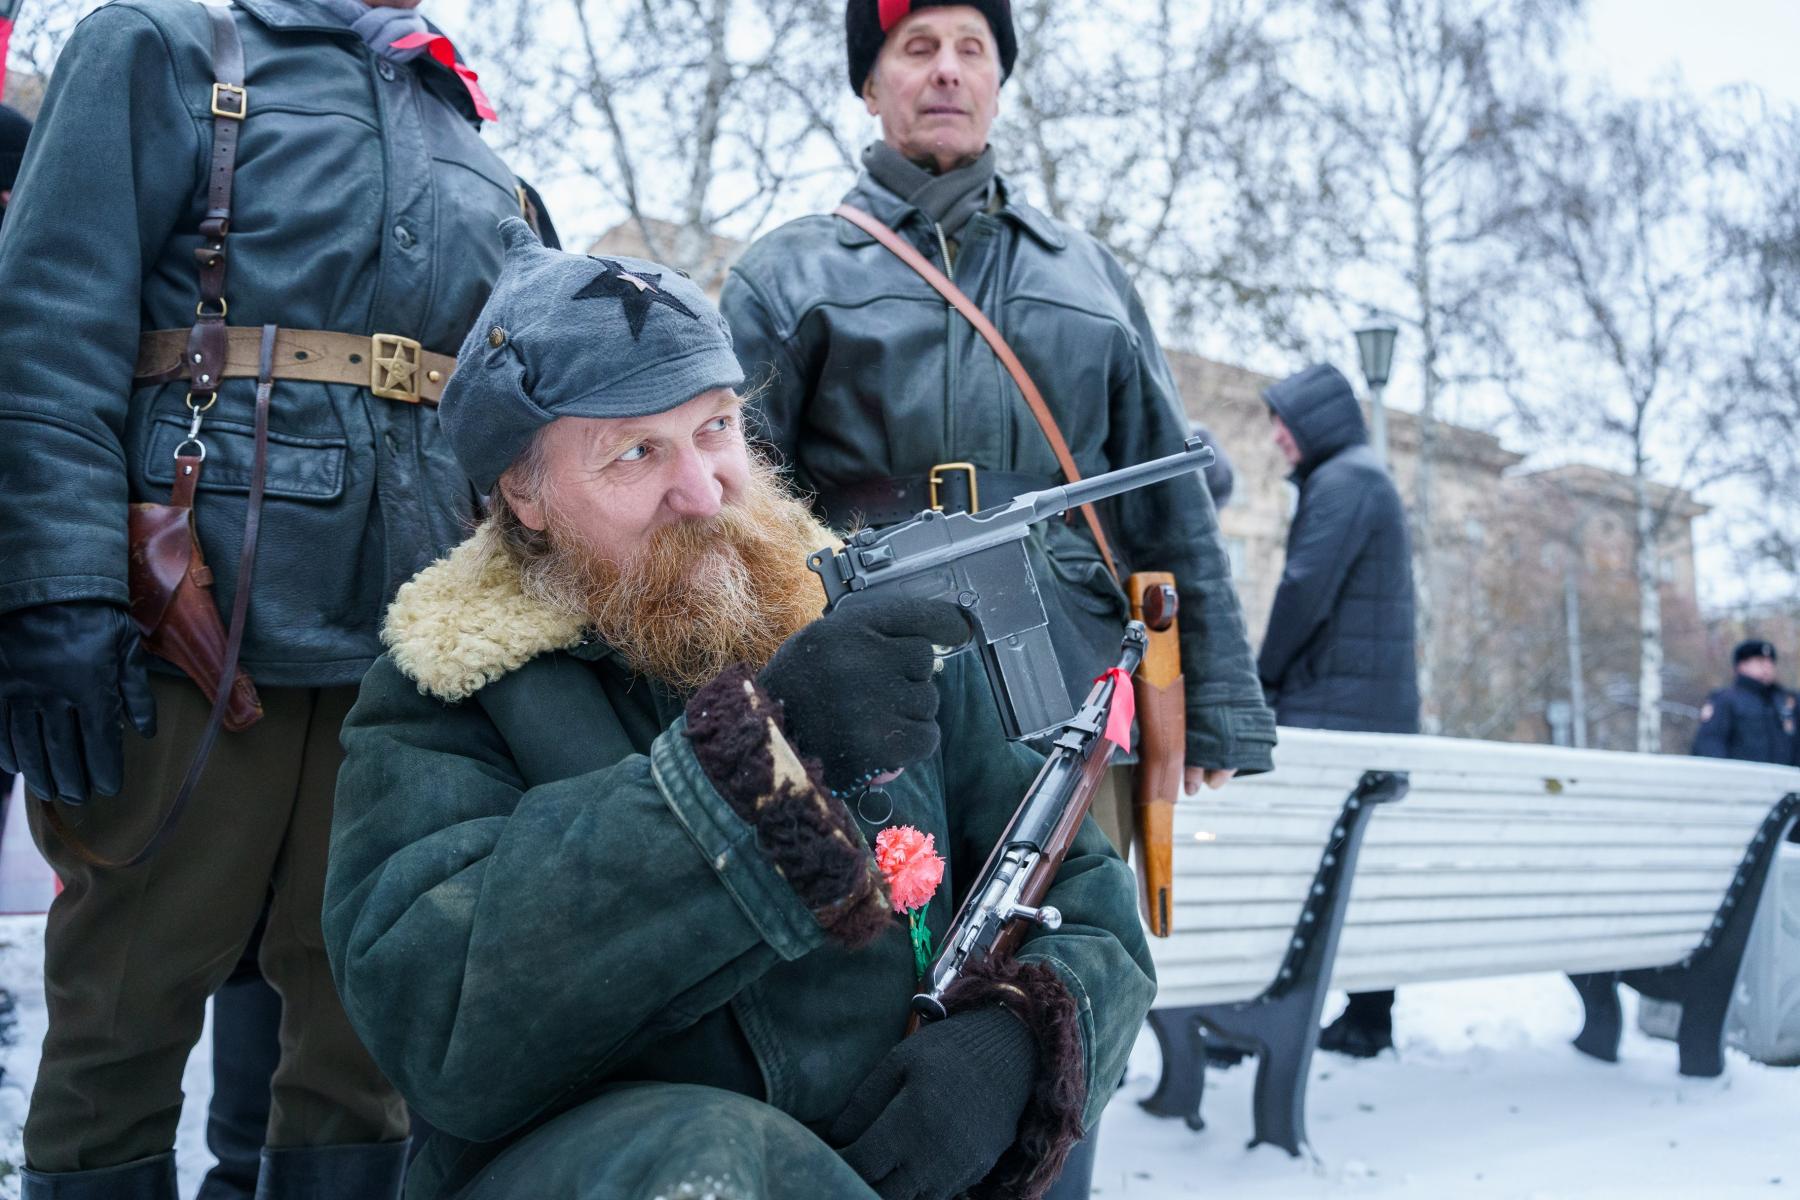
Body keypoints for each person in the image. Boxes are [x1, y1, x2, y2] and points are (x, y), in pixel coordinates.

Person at [323, 220, 1156, 1200]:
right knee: (713, 1157)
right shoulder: (445, 691)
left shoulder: (865, 623)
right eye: (636, 450)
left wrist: (1011, 1045)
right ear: (524, 490)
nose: (703, 489)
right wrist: (767, 757)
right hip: (619, 1177)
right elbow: (439, 1013)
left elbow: (1091, 903)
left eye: (716, 427)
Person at [0, 1, 550, 1194]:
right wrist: (56, 589)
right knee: (121, 1017)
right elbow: (47, 326)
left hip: (408, 646)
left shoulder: (458, 118)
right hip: (187, 620)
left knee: (368, 1039)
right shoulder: (160, 46)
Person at [1258, 363, 1418, 1058]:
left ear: (1315, 421)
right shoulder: (1361, 478)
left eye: (1282, 422)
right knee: (1360, 863)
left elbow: (1303, 592)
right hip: (1365, 709)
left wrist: (1259, 680)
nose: (1276, 438)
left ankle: (1267, 1008)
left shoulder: (1345, 482)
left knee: (1296, 862)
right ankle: (1369, 1013)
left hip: (1332, 711)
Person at [1692, 639, 1798, 768]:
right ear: (1741, 665)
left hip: (1787, 783)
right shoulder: (1725, 700)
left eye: (1770, 662)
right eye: (1760, 661)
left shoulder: (1788, 701)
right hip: (1742, 782)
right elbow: (1710, 744)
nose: (1767, 666)